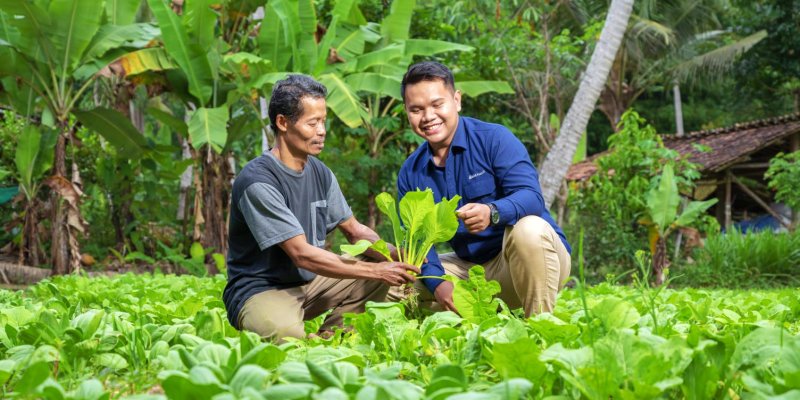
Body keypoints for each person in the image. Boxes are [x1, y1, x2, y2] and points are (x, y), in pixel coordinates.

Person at [223, 74, 419, 341]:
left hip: (311, 282)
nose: (322, 131)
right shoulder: (257, 181)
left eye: (324, 122)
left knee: (372, 263)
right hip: (262, 288)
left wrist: (395, 254)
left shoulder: (321, 172)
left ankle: (336, 336)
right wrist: (375, 270)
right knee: (288, 337)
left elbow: (354, 230)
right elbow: (302, 254)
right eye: (312, 123)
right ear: (282, 122)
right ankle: (305, 339)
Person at [395, 61, 571, 317]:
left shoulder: (495, 139)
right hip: (470, 270)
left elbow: (532, 198)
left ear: (456, 100)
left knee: (529, 229)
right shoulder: (411, 172)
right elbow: (419, 244)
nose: (428, 117)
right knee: (394, 275)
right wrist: (436, 282)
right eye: (416, 109)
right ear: (407, 112)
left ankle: (540, 324)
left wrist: (492, 212)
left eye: (437, 104)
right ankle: (466, 317)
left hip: (524, 261)